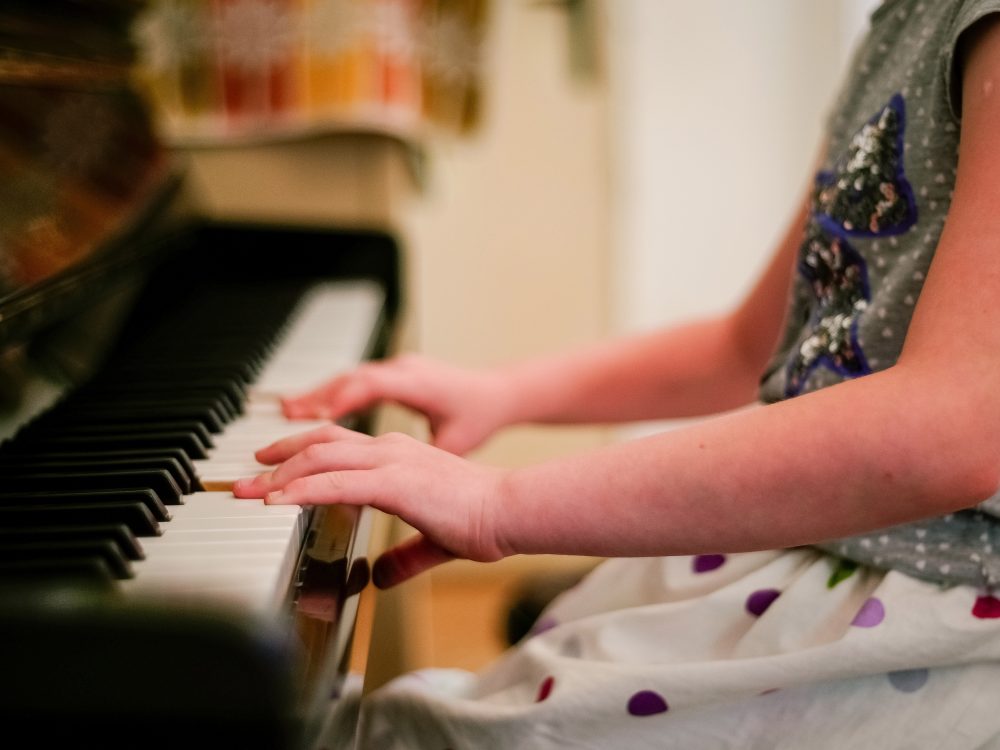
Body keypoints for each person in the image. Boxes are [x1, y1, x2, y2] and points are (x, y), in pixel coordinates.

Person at [233, 1, 1000, 746]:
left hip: (931, 607)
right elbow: (747, 350)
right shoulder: (902, 18)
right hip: (814, 547)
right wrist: (505, 393)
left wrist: (501, 505)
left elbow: (950, 428)